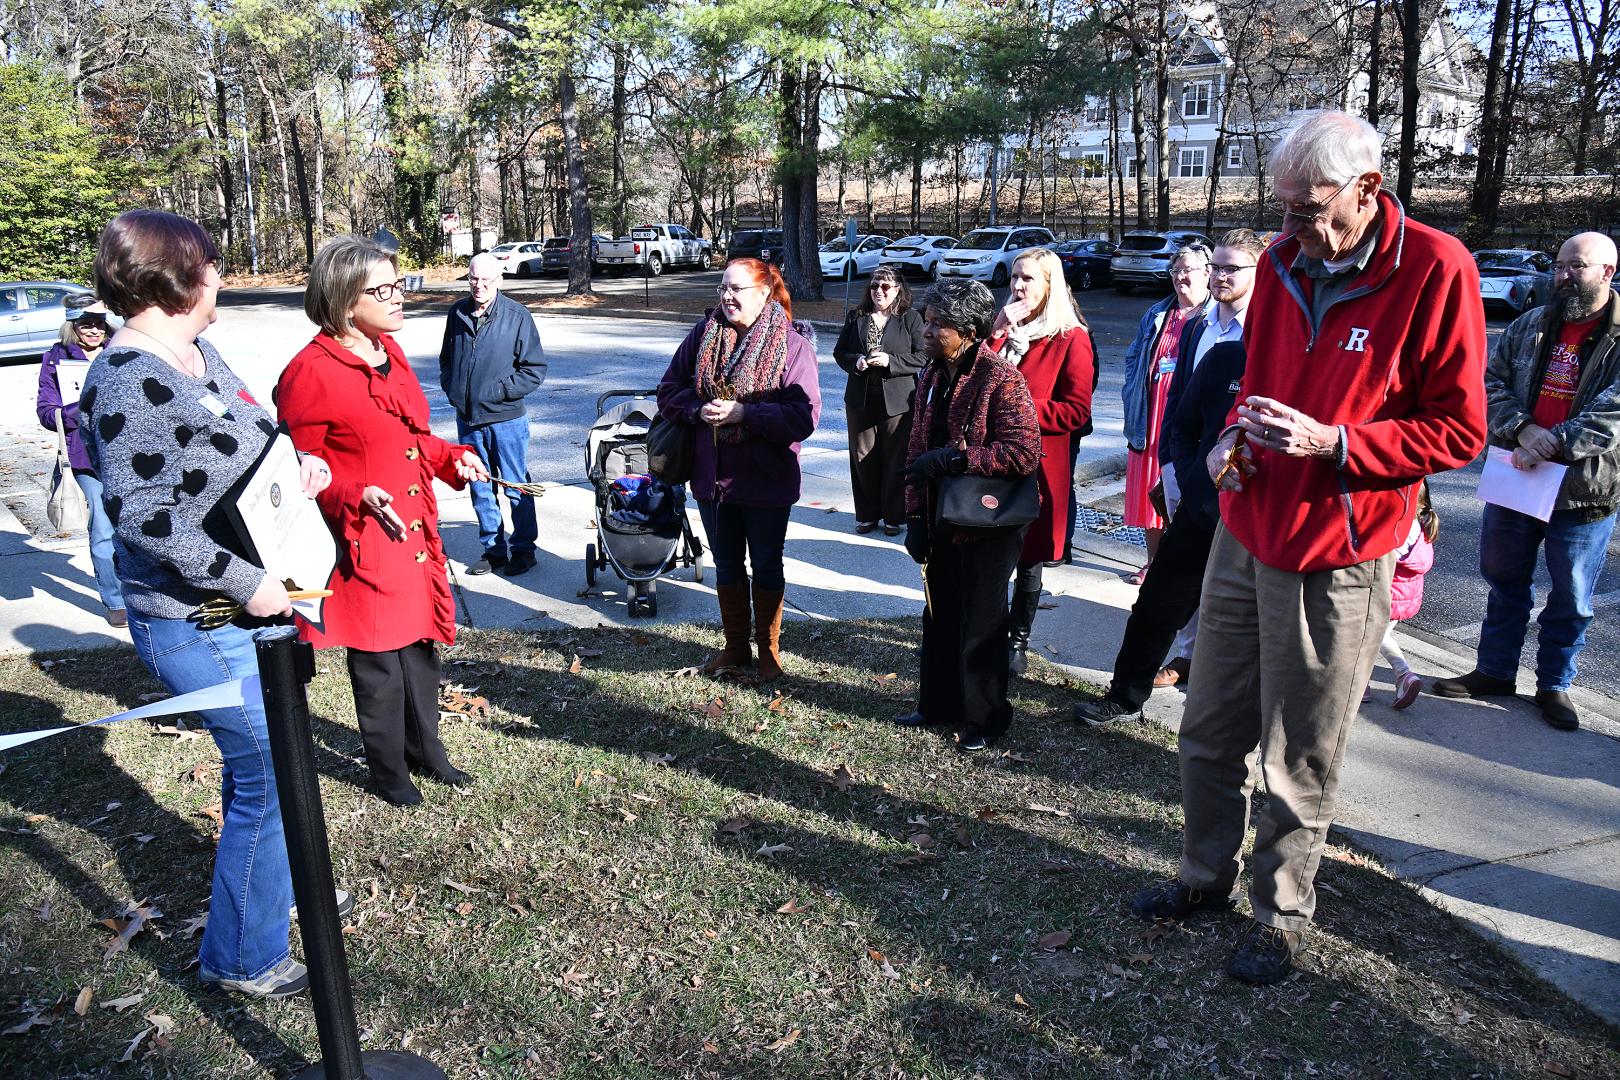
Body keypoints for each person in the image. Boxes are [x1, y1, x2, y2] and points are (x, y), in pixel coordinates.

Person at [1131, 111, 1487, 985]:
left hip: (1341, 552)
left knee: (1298, 755)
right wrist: (1229, 441)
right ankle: (1201, 879)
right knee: (1208, 731)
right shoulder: (1285, 263)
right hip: (1246, 532)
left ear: (1368, 188)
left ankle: (1280, 914)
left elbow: (1460, 431)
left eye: (1307, 207)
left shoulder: (1437, 269)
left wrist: (1339, 445)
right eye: (1281, 207)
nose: (1288, 228)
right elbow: (1261, 381)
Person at [80, 209, 332, 998]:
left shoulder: (196, 350)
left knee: (267, 768)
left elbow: (250, 439)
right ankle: (244, 956)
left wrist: (298, 476)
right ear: (177, 275)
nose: (221, 275)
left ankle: (276, 893)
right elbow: (145, 514)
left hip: (252, 608)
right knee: (269, 769)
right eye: (213, 263)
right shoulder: (124, 377)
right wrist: (243, 580)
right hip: (192, 619)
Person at [277, 235, 489, 805]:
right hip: (363, 536)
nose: (399, 298)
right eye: (384, 290)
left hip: (413, 528)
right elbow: (295, 472)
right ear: (346, 301)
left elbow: (412, 437)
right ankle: (388, 770)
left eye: (400, 285)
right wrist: (353, 491)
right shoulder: (309, 372)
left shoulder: (387, 352)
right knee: (377, 662)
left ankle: (426, 750)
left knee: (419, 648)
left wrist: (451, 458)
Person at [1433, 231, 1620, 731]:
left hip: (1583, 490)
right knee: (1504, 582)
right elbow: (1488, 383)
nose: (1563, 275)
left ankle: (1553, 686)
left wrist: (1552, 442)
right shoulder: (1530, 324)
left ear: (1607, 272)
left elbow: (1615, 414)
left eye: (1576, 266)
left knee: (1571, 596)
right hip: (1517, 477)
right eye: (1559, 264)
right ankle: (1494, 671)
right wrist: (1522, 430)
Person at [657, 258, 820, 682]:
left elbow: (803, 417)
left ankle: (768, 651)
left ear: (765, 292)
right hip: (712, 479)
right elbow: (668, 389)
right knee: (727, 565)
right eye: (723, 289)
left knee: (767, 565)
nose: (727, 297)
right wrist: (697, 409)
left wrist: (744, 413)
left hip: (766, 479)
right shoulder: (703, 334)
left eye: (737, 289)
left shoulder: (793, 344)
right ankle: (735, 647)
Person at [898, 280, 1040, 752]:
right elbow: (917, 448)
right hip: (942, 519)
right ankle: (936, 704)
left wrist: (959, 459)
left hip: (989, 524)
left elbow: (1023, 453)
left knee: (982, 621)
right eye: (928, 319)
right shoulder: (931, 375)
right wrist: (915, 517)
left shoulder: (1000, 378)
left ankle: (985, 719)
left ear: (970, 331)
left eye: (939, 324)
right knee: (938, 615)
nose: (927, 330)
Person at [1073, 340, 1246, 727]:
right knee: (1154, 609)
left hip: (1260, 535)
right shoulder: (1225, 358)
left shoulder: (1305, 367)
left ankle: (1236, 740)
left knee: (1247, 639)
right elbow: (1181, 427)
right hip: (1201, 517)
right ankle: (1124, 699)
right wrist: (1193, 481)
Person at [1154, 228, 1265, 688]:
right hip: (1192, 470)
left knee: (1239, 580)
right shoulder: (1199, 324)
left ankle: (1234, 668)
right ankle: (1189, 657)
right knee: (1189, 573)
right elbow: (1178, 403)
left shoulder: (1266, 331)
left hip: (1247, 478)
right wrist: (1170, 465)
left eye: (1231, 268)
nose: (1219, 276)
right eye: (1215, 266)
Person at [986, 249, 1094, 675]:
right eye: (1014, 277)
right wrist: (997, 333)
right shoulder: (1006, 329)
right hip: (991, 463)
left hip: (1037, 468)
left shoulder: (1071, 337)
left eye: (1028, 278)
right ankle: (985, 631)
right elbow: (975, 379)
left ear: (1050, 284)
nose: (1018, 286)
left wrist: (1018, 408)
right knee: (987, 553)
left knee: (1027, 559)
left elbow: (1075, 411)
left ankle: (1017, 639)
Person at [438, 251, 547, 577]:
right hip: (469, 421)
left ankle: (524, 550)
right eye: (474, 278)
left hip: (506, 421)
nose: (479, 286)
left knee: (515, 486)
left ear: (499, 280)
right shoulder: (457, 312)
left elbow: (534, 370)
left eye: (486, 280)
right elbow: (447, 359)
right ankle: (494, 550)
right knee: (480, 488)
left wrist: (496, 394)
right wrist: (454, 390)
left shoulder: (517, 316)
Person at [1121, 243, 1212, 584]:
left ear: (1207, 273)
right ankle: (1154, 562)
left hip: (1187, 417)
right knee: (1149, 492)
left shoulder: (1214, 316)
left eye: (1188, 270)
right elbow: (1133, 358)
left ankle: (1185, 564)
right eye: (1176, 271)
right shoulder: (1159, 313)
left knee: (1186, 490)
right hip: (1151, 415)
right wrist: (1133, 395)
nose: (1180, 277)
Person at [36, 296, 125, 626]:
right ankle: (115, 600)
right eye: (86, 324)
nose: (94, 330)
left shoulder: (121, 350)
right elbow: (47, 413)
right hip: (86, 458)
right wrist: (83, 406)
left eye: (99, 323)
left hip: (128, 454)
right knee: (102, 529)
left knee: (137, 528)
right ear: (72, 326)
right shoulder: (54, 359)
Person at [832, 265, 927, 535]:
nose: (879, 291)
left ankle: (895, 516)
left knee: (896, 458)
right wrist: (857, 361)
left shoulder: (910, 319)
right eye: (874, 285)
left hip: (898, 401)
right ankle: (867, 515)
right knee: (862, 457)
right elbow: (841, 352)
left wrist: (891, 361)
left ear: (898, 290)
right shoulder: (857, 316)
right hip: (860, 400)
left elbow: (923, 356)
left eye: (885, 286)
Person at [1372, 482, 1437, 710]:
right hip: (1404, 599)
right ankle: (1362, 686)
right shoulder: (1422, 524)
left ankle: (1403, 674)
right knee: (1373, 639)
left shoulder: (1399, 528)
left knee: (1372, 638)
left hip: (1386, 595)